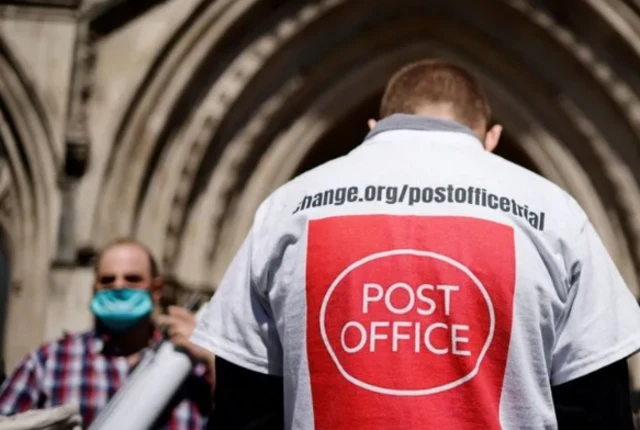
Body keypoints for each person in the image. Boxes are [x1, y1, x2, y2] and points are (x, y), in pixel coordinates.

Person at [191, 59, 640, 430]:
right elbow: (597, 403)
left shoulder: (288, 207)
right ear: (492, 139)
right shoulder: (553, 212)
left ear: (373, 126)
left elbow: (245, 405)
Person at [0, 238, 214, 429]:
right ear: (95, 289)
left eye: (132, 279)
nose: (119, 286)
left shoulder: (193, 367)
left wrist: (211, 360)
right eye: (108, 280)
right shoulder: (48, 362)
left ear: (156, 290)